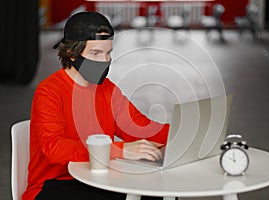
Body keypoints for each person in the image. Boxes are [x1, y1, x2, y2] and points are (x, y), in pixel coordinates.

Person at [23, 11, 169, 200]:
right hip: (55, 184)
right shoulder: (49, 91)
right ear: (71, 52)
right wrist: (121, 150)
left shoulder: (107, 89)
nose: (105, 61)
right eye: (95, 53)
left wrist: (186, 135)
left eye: (108, 53)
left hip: (98, 177)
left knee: (154, 192)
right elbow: (55, 148)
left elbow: (140, 128)